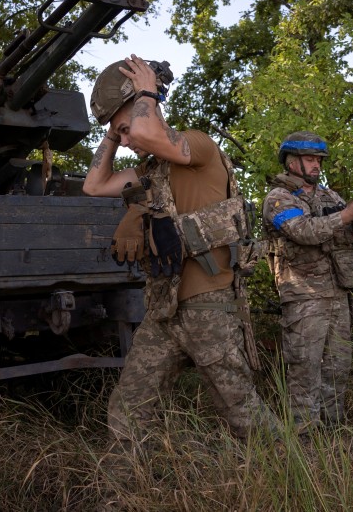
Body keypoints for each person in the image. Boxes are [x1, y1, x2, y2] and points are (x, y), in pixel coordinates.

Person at [83, 54, 282, 457]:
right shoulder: (151, 171)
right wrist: (110, 131)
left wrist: (145, 93)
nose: (125, 140)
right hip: (165, 311)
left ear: (149, 106)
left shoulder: (197, 146)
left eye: (125, 129)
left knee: (243, 414)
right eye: (119, 134)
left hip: (209, 307)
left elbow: (147, 130)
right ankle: (119, 496)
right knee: (128, 409)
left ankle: (300, 480)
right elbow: (94, 185)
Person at [262, 131, 353, 432]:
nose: (317, 165)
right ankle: (305, 439)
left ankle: (333, 435)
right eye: (310, 159)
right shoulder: (278, 198)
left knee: (338, 368)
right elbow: (304, 231)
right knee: (305, 369)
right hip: (304, 297)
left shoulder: (329, 196)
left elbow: (343, 232)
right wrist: (349, 215)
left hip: (338, 293)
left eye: (319, 160)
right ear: (292, 162)